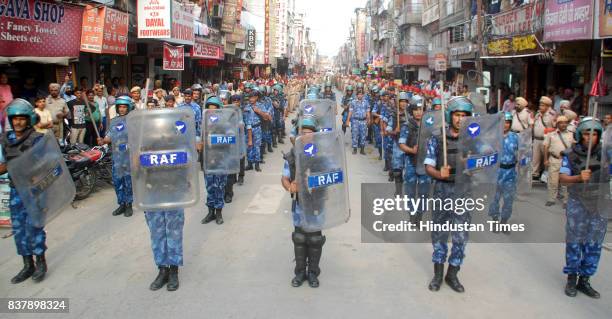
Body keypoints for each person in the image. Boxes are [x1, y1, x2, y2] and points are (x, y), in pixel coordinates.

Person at [424, 96, 474, 293]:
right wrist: (439, 173)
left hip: (463, 191)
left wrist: (472, 165)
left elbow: (484, 164)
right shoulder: (437, 138)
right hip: (442, 191)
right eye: (457, 115)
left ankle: (452, 273)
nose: (460, 119)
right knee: (439, 232)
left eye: (464, 115)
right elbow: (428, 166)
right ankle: (438, 273)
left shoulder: (473, 139)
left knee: (460, 235)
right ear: (450, 116)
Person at [0, 99, 48, 283]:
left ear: (28, 119)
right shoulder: (5, 139)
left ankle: (41, 262)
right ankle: (27, 264)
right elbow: (4, 165)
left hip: (33, 191)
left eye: (21, 118)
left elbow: (49, 162)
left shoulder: (37, 138)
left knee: (34, 226)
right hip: (15, 191)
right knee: (19, 229)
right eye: (14, 119)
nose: (17, 122)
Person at [559, 117, 607, 299]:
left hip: (599, 203)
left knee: (594, 243)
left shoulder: (606, 153)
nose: (591, 137)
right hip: (578, 202)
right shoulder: (570, 154)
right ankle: (572, 277)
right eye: (587, 133)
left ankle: (584, 280)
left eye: (595, 133)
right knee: (575, 242)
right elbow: (562, 179)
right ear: (580, 134)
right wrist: (579, 178)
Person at [282, 117, 325, 288]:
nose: (306, 136)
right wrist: (290, 187)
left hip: (317, 204)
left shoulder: (322, 154)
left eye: (309, 133)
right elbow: (284, 178)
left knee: (315, 239)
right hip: (299, 204)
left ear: (314, 135)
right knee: (299, 238)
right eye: (303, 133)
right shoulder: (293, 155)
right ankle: (300, 271)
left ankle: (313, 272)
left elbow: (334, 176)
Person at [97, 96, 134, 217]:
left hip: (129, 157)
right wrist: (103, 140)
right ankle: (122, 204)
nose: (122, 109)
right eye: (120, 107)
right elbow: (109, 137)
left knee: (128, 181)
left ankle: (129, 204)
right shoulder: (113, 121)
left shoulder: (134, 120)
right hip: (117, 157)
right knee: (118, 181)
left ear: (128, 107)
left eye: (124, 107)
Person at [399, 95, 430, 223]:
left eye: (421, 109)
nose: (418, 112)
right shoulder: (407, 125)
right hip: (411, 162)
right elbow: (401, 144)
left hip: (425, 163)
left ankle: (419, 214)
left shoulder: (429, 125)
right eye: (416, 109)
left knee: (424, 192)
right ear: (412, 110)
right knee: (410, 190)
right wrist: (411, 150)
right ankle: (412, 212)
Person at [488, 112, 519, 233]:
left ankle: (504, 221)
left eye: (507, 122)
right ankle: (495, 219)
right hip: (496, 171)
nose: (505, 125)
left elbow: (521, 153)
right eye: (503, 122)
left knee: (508, 199)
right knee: (494, 198)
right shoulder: (493, 137)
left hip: (510, 172)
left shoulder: (515, 137)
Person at [201, 97, 228, 225]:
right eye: (209, 108)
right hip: (207, 160)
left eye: (214, 108)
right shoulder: (203, 123)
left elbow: (230, 140)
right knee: (209, 187)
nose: (211, 111)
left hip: (220, 160)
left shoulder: (225, 123)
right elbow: (196, 136)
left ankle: (219, 212)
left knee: (219, 186)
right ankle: (210, 212)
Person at [543, 116, 575, 207]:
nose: (563, 124)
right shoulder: (551, 134)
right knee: (553, 181)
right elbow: (546, 147)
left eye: (565, 122)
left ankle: (566, 201)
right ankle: (551, 199)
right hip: (554, 159)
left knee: (565, 182)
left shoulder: (571, 134)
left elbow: (574, 147)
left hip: (566, 161)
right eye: (561, 122)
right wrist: (545, 159)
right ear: (557, 124)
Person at [532, 96, 556, 179]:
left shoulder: (552, 115)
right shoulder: (538, 114)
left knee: (546, 158)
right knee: (535, 157)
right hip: (536, 139)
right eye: (540, 105)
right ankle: (535, 173)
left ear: (547, 106)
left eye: (542, 105)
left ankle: (545, 175)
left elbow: (555, 128)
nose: (540, 106)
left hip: (546, 139)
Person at [244, 90, 265, 172]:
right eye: (250, 97)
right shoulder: (247, 107)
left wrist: (259, 111)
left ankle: (257, 164)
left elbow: (266, 117)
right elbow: (245, 119)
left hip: (257, 128)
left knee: (257, 146)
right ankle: (249, 164)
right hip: (248, 128)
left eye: (252, 97)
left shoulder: (260, 106)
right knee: (249, 146)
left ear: (256, 97)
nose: (250, 99)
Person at [348, 90, 369, 155]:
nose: (360, 95)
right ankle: (355, 149)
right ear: (357, 95)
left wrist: (369, 118)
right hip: (355, 121)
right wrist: (347, 120)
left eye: (361, 94)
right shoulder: (353, 102)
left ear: (363, 95)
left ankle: (362, 150)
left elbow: (368, 111)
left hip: (363, 121)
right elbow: (350, 111)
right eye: (359, 94)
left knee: (363, 135)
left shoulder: (366, 102)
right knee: (355, 135)